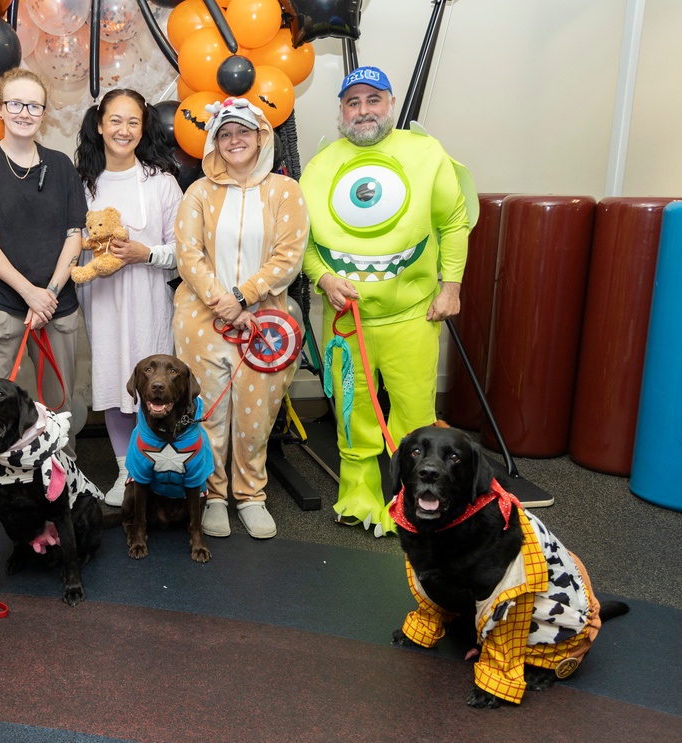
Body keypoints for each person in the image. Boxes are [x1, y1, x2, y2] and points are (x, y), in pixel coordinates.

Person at [300, 66, 475, 537]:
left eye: (372, 100)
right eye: (352, 102)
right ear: (341, 111)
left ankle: (415, 503)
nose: (363, 111)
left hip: (411, 316)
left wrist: (452, 286)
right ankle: (359, 496)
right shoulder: (319, 167)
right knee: (353, 415)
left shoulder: (426, 154)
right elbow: (306, 243)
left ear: (390, 104)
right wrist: (323, 279)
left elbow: (454, 221)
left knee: (415, 417)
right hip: (345, 322)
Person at [0, 67, 88, 542]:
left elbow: (76, 235)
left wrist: (48, 292)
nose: (25, 113)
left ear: (44, 113)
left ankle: (56, 491)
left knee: (59, 408)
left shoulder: (63, 166)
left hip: (58, 304)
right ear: (0, 108)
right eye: (16, 104)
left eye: (35, 106)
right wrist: (28, 293)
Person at [173, 97, 309, 540]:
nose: (234, 141)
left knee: (255, 416)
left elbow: (289, 256)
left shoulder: (285, 191)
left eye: (243, 132)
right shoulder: (199, 193)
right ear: (215, 141)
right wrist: (223, 302)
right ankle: (214, 495)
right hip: (202, 320)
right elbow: (188, 255)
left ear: (261, 137)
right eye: (225, 133)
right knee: (208, 413)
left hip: (267, 323)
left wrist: (244, 297)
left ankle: (250, 495)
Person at [73, 88, 183, 506]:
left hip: (150, 301)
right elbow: (72, 244)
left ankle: (158, 468)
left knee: (155, 386)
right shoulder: (82, 184)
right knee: (114, 385)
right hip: (101, 300)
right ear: (99, 125)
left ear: (143, 128)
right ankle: (126, 473)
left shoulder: (163, 184)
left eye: (133, 121)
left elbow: (186, 252)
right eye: (115, 120)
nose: (123, 129)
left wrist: (146, 253)